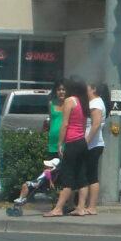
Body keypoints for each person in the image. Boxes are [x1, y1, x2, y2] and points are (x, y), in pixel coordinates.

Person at [43, 77, 89, 217]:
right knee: (81, 177)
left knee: (67, 177)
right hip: (81, 141)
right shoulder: (83, 102)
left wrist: (60, 143)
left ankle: (58, 209)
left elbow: (65, 124)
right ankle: (81, 207)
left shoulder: (70, 101)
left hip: (72, 141)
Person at [75, 82, 108, 216]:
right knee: (90, 175)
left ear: (94, 89)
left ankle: (87, 206)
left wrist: (86, 141)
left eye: (87, 87)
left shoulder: (95, 103)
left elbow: (95, 125)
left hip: (92, 145)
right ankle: (88, 206)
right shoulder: (96, 102)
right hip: (93, 144)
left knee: (87, 175)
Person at [47, 81, 66, 157]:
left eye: (63, 89)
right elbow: (51, 120)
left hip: (66, 140)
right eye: (59, 89)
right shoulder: (51, 103)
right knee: (52, 166)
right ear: (56, 91)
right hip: (53, 139)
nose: (61, 92)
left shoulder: (69, 104)